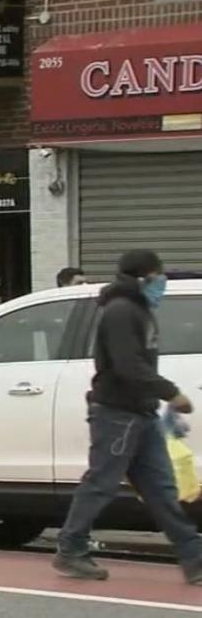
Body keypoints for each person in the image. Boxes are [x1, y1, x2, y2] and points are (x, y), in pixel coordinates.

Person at [53, 250, 202, 585]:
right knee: (101, 483)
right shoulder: (121, 311)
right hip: (117, 414)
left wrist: (158, 401)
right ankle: (71, 549)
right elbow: (128, 364)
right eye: (158, 276)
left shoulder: (139, 309)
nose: (162, 283)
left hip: (141, 413)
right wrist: (171, 393)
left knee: (162, 489)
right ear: (143, 277)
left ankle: (194, 558)